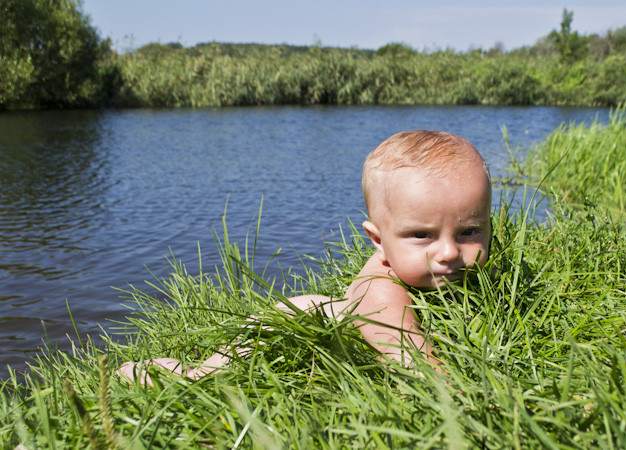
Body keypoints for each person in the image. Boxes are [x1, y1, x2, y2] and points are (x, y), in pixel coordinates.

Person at [117, 130, 492, 385]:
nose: (448, 252)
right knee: (205, 378)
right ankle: (157, 373)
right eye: (421, 235)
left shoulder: (461, 272)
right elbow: (417, 364)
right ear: (378, 241)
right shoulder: (380, 293)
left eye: (469, 232)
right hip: (274, 330)